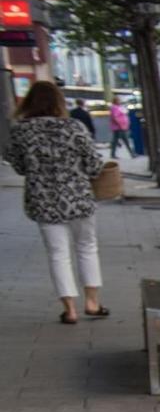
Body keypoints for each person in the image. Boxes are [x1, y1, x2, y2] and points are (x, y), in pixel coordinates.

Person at [7, 80, 108, 324]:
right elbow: (94, 166)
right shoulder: (74, 127)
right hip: (78, 199)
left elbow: (19, 167)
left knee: (58, 254)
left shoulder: (20, 131)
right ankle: (92, 303)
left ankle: (70, 309)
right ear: (58, 102)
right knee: (87, 247)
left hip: (43, 201)